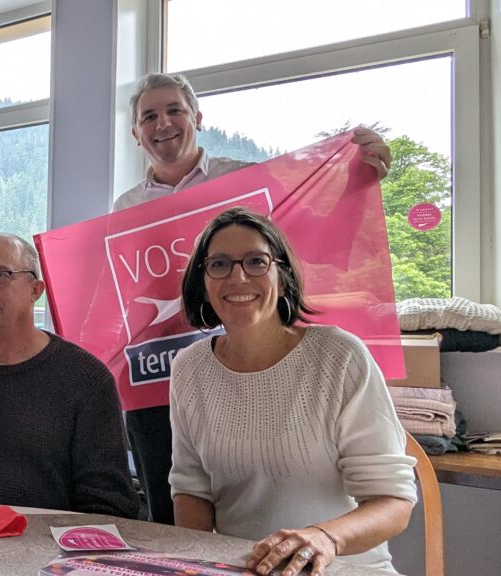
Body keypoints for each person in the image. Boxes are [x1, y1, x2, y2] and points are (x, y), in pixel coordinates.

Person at [116, 72, 394, 525]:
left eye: (174, 111)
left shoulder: (244, 181)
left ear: (197, 118)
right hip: (160, 374)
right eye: (149, 116)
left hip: (252, 363)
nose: (162, 123)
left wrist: (355, 179)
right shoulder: (124, 207)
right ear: (135, 133)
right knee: (172, 503)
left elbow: (314, 232)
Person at [170, 207, 416, 575]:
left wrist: (325, 537)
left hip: (340, 568)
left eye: (256, 261)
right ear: (203, 285)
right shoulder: (188, 367)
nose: (238, 276)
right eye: (219, 264)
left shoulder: (340, 357)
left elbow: (393, 502)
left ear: (283, 279)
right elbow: (191, 489)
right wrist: (199, 565)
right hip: (240, 567)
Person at [0, 233, 139, 518]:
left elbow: (109, 504)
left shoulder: (86, 380)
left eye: (0, 275)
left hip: (51, 540)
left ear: (35, 290)